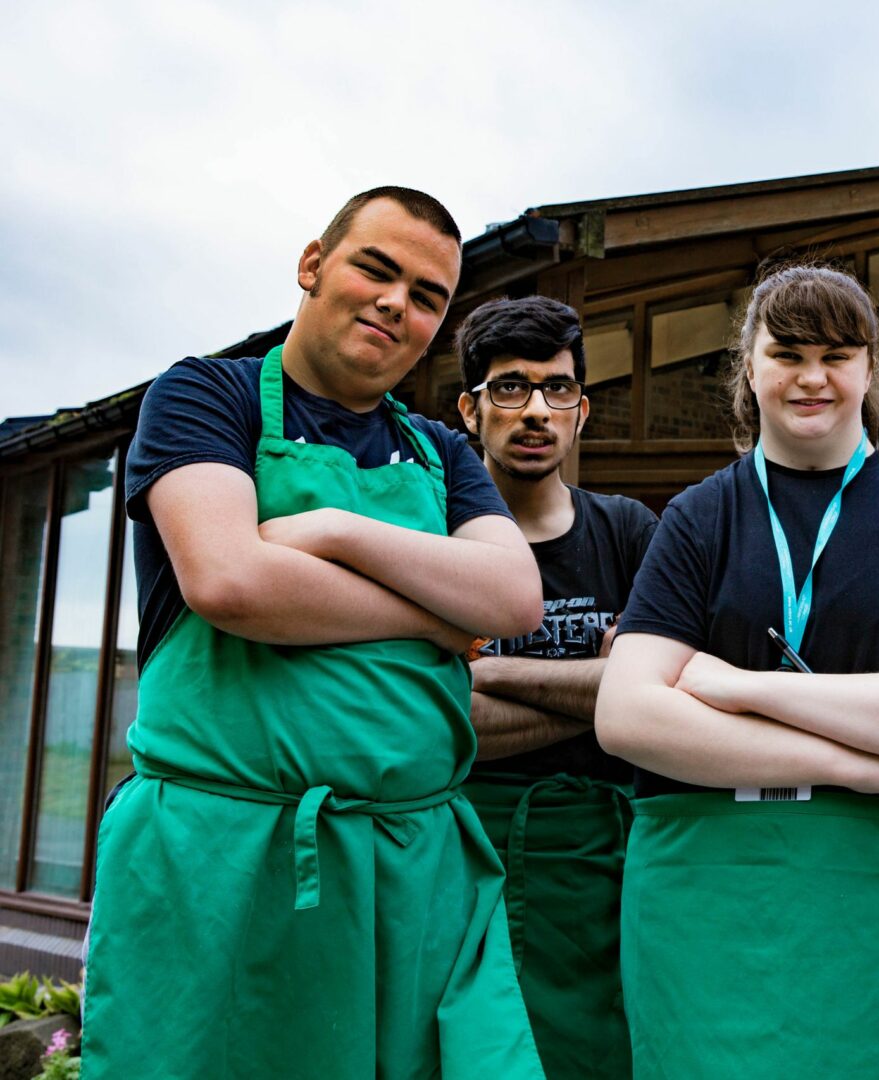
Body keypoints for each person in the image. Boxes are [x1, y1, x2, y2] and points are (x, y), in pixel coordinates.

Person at [81, 187, 545, 1079]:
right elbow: (232, 582)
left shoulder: (443, 456)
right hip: (220, 865)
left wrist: (334, 535)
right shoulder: (204, 397)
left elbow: (514, 599)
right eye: (376, 268)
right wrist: (438, 619)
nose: (394, 303)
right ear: (312, 265)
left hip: (412, 872)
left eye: (425, 295)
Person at [595, 264, 879, 1079]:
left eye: (837, 355)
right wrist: (856, 762)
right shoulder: (699, 516)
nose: (812, 377)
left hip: (876, 897)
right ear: (750, 366)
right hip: (702, 901)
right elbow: (628, 717)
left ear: (867, 369)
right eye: (788, 354)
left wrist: (741, 688)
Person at [453, 295, 658, 1079]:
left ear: (583, 411)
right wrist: (602, 692)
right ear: (471, 410)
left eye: (557, 388)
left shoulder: (631, 531)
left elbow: (657, 691)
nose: (536, 410)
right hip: (469, 854)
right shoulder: (436, 541)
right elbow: (439, 716)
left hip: (606, 863)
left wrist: (489, 670)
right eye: (510, 388)